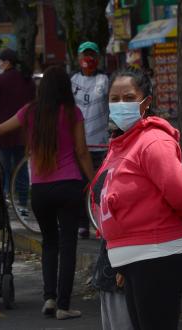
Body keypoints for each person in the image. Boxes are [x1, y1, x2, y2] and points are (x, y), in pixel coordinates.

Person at [0, 66, 94, 320]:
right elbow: (82, 152)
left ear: (43, 87)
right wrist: (95, 181)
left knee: (49, 243)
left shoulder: (30, 112)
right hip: (69, 186)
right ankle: (63, 305)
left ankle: (49, 298)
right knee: (68, 246)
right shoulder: (73, 113)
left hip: (40, 191)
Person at [91, 66, 182, 330]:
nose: (120, 104)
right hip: (132, 259)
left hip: (157, 256)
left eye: (128, 97)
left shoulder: (153, 142)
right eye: (114, 99)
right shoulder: (122, 142)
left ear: (146, 102)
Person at [0, 48, 35, 211]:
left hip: (2, 134)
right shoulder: (28, 80)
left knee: (2, 169)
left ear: (6, 62)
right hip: (23, 134)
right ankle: (22, 204)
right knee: (21, 170)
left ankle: (4, 201)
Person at [71, 41, 109, 239]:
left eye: (92, 55)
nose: (89, 59)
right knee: (80, 186)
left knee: (101, 185)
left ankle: (101, 223)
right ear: (78, 58)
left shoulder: (105, 79)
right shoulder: (73, 80)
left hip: (100, 142)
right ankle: (82, 224)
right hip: (79, 143)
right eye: (85, 55)